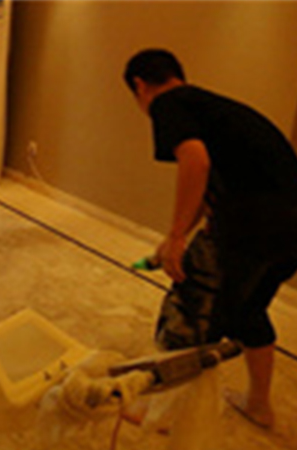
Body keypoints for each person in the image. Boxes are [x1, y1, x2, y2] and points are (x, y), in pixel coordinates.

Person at [123, 48, 297, 428]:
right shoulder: (213, 109)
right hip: (289, 235)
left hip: (249, 228)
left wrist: (176, 237)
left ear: (140, 85)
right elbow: (210, 181)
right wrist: (178, 235)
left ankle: (161, 412)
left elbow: (195, 161)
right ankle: (259, 405)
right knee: (249, 312)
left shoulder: (168, 103)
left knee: (188, 311)